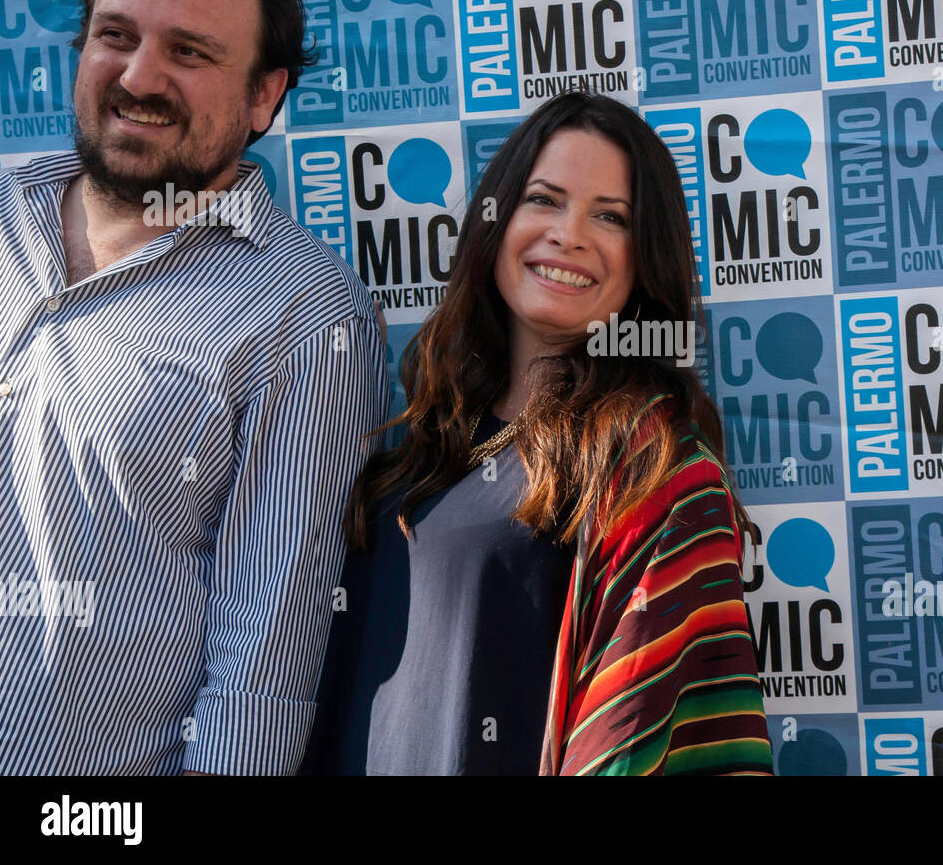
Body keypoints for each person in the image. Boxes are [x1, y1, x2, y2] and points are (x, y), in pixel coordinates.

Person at [0, 0, 388, 774]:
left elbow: (264, 653)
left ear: (263, 95)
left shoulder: (304, 314)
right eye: (115, 36)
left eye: (189, 52)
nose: (139, 76)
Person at [305, 91, 773, 776]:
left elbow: (642, 734)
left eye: (609, 216)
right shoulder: (427, 446)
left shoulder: (655, 470)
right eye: (544, 200)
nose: (569, 233)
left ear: (645, 258)